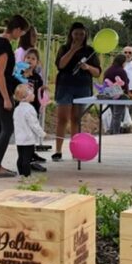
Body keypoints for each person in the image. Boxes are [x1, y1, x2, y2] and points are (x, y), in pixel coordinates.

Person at [0, 14, 30, 178]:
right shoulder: (3, 45)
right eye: (22, 32)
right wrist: (6, 98)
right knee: (7, 127)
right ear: (16, 29)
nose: (22, 35)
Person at [52, 22, 101, 161]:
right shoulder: (64, 48)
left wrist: (88, 67)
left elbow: (97, 72)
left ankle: (76, 151)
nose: (79, 37)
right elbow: (60, 65)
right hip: (65, 86)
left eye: (81, 34)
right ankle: (58, 150)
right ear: (71, 34)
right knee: (62, 118)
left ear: (85, 35)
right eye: (76, 34)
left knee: (76, 119)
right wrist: (72, 50)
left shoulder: (90, 51)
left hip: (82, 87)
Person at [12, 84, 46, 178]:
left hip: (19, 138)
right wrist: (42, 133)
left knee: (21, 157)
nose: (34, 95)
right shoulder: (30, 109)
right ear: (27, 96)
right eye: (32, 93)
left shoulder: (17, 109)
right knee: (27, 159)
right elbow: (34, 124)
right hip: (28, 139)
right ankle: (27, 176)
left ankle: (21, 175)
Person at [22, 48, 47, 171]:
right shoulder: (20, 74)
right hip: (22, 110)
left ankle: (31, 155)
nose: (30, 60)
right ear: (24, 59)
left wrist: (42, 98)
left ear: (37, 62)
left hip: (34, 110)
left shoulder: (37, 78)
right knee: (25, 134)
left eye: (33, 59)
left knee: (32, 133)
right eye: (28, 58)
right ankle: (25, 159)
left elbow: (40, 94)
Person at [103, 54, 130, 135]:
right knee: (118, 115)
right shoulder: (122, 71)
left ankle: (112, 132)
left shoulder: (108, 70)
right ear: (123, 62)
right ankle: (116, 134)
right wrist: (127, 95)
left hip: (109, 94)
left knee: (114, 115)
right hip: (119, 95)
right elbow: (125, 85)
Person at [121, 45, 132, 130]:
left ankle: (127, 130)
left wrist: (131, 91)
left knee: (129, 111)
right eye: (125, 52)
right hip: (122, 90)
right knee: (122, 111)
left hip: (130, 90)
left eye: (130, 52)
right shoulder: (121, 65)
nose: (127, 54)